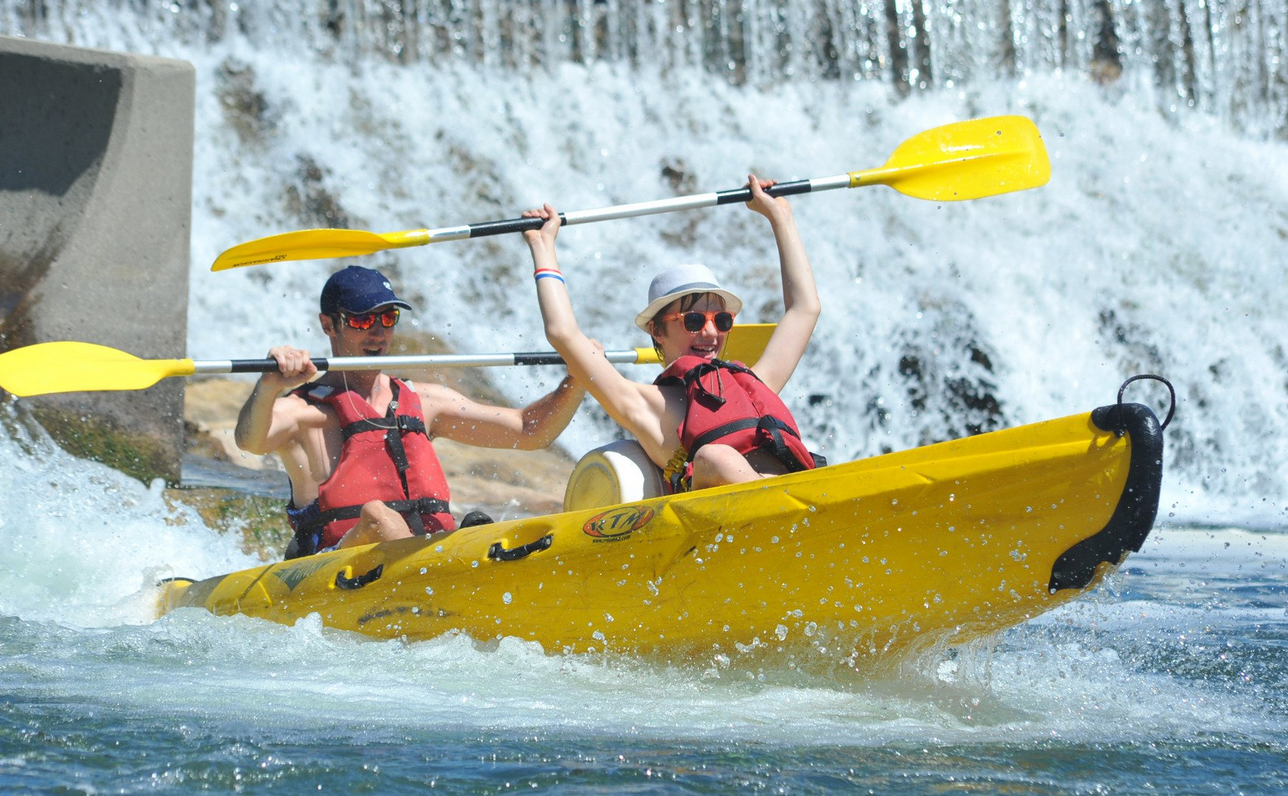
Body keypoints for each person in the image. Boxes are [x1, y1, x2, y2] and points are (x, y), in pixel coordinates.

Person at [235, 265, 586, 558]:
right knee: (379, 517)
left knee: (480, 527)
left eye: (388, 318)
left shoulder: (426, 401)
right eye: (362, 321)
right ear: (329, 325)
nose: (378, 333)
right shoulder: (304, 412)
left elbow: (530, 431)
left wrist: (579, 376)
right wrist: (268, 386)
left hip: (426, 566)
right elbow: (249, 440)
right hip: (339, 570)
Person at [521, 175, 822, 493]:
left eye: (721, 320)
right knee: (714, 458)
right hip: (733, 514)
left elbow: (805, 309)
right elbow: (563, 333)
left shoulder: (756, 382)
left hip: (797, 499)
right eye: (693, 320)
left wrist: (779, 215)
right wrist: (543, 246)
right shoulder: (642, 405)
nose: (710, 332)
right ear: (657, 330)